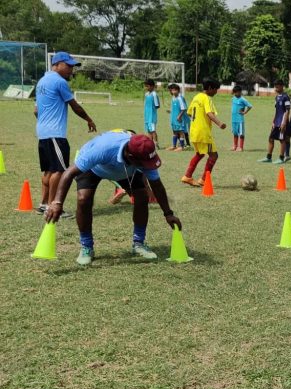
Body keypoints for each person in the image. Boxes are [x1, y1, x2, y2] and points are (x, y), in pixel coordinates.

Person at [43, 131, 182, 266]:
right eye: (144, 164)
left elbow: (157, 185)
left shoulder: (145, 155)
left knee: (142, 196)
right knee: (83, 199)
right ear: (130, 156)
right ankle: (87, 247)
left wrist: (168, 214)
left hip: (126, 171)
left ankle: (139, 243)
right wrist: (57, 202)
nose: (148, 167)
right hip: (94, 168)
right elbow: (69, 173)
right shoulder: (103, 148)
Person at [34, 51, 97, 215]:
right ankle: (52, 206)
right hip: (56, 133)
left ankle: (43, 204)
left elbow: (36, 110)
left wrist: (44, 121)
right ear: (57, 64)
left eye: (72, 66)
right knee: (59, 170)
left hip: (43, 132)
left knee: (48, 170)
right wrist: (89, 119)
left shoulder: (41, 81)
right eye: (68, 66)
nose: (71, 70)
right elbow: (74, 105)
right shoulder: (59, 81)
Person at [181, 78, 228, 187]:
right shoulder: (207, 98)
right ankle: (203, 180)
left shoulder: (196, 97)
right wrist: (220, 123)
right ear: (210, 88)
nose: (216, 92)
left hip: (194, 131)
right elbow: (209, 113)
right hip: (203, 133)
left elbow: (189, 113)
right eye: (216, 89)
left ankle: (187, 176)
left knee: (200, 154)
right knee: (214, 156)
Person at [262, 80, 291, 163]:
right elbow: (276, 110)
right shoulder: (277, 97)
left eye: (278, 86)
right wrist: (273, 121)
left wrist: (284, 123)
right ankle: (269, 157)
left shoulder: (286, 97)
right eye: (275, 86)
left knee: (282, 140)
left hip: (282, 122)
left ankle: (281, 158)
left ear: (282, 86)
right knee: (271, 138)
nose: (276, 87)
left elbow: (287, 110)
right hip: (276, 122)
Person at [167, 83, 191, 152]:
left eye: (175, 90)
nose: (173, 92)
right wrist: (170, 111)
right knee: (174, 131)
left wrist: (179, 116)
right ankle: (174, 146)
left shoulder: (180, 98)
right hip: (173, 118)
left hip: (179, 119)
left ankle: (182, 147)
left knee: (181, 132)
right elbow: (174, 108)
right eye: (172, 90)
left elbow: (183, 109)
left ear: (178, 91)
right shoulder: (173, 98)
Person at [230, 85, 253, 152]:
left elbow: (250, 106)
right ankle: (235, 146)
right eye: (234, 92)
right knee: (235, 133)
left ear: (240, 92)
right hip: (233, 119)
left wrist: (244, 112)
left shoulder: (243, 99)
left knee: (241, 134)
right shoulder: (233, 98)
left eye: (236, 92)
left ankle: (241, 147)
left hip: (240, 119)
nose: (235, 94)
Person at [143, 79, 160, 147]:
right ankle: (150, 144)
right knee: (149, 130)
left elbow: (157, 105)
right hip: (147, 115)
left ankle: (156, 143)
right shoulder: (146, 94)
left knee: (153, 130)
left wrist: (152, 109)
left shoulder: (154, 94)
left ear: (152, 86)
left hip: (152, 115)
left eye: (148, 86)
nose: (146, 88)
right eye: (146, 86)